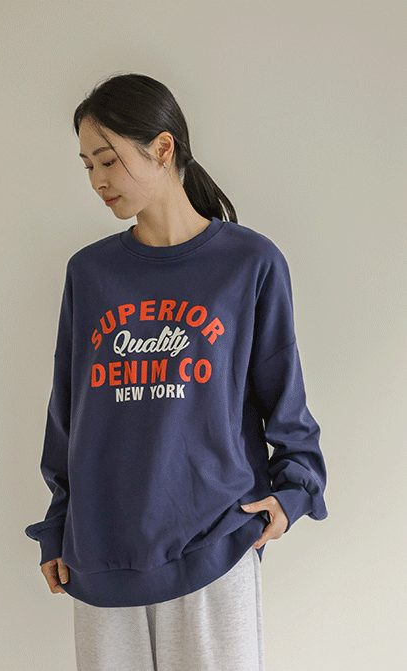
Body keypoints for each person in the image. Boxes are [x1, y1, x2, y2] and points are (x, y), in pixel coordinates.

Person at [24, 72, 328, 671]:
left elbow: (282, 395)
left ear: (162, 148)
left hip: (215, 543)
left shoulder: (249, 263)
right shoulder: (90, 274)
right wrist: (59, 524)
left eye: (107, 160)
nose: (97, 180)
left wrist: (293, 493)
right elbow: (68, 412)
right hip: (102, 553)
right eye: (87, 166)